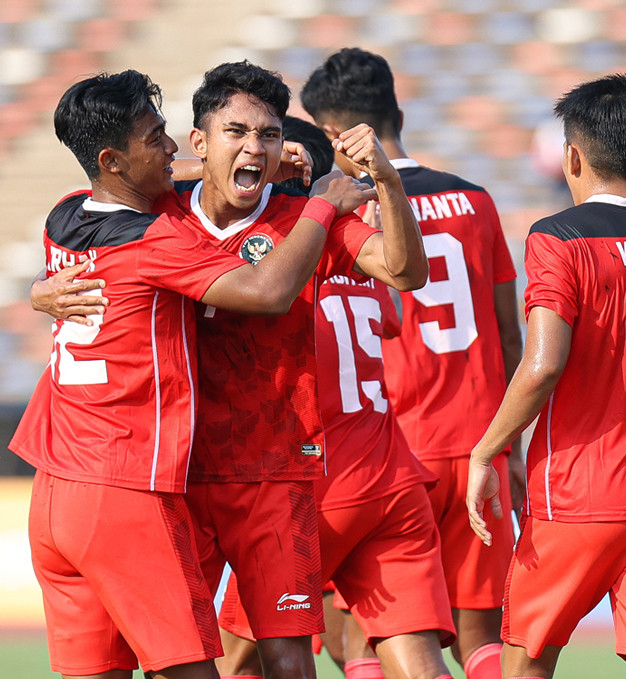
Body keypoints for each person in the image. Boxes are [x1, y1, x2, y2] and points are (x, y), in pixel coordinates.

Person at [11, 70, 373, 679]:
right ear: (113, 159)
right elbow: (267, 291)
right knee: (188, 670)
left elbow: (129, 181)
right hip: (125, 485)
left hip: (53, 485)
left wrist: (36, 291)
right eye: (156, 138)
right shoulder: (157, 238)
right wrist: (320, 203)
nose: (171, 148)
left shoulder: (64, 214)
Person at [467, 73, 626, 679]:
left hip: (576, 494)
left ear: (572, 158)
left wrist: (487, 450)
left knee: (526, 665)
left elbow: (543, 365)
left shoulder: (557, 237)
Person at [172, 61, 427, 679]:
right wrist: (46, 290)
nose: (253, 147)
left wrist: (387, 181)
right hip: (179, 471)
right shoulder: (164, 212)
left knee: (286, 658)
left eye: (267, 134)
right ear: (200, 140)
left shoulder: (302, 214)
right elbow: (104, 190)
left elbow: (405, 272)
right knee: (175, 654)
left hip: (275, 472)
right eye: (236, 132)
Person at [301, 47, 523, 679]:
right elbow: (510, 336)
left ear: (331, 134)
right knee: (481, 639)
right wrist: (511, 446)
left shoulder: (348, 210)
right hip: (477, 442)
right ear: (396, 114)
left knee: (365, 640)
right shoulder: (475, 201)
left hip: (387, 452)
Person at [214, 115, 457, 679]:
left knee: (234, 660)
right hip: (390, 478)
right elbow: (393, 316)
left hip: (314, 485)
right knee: (420, 664)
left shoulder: (268, 256)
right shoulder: (352, 250)